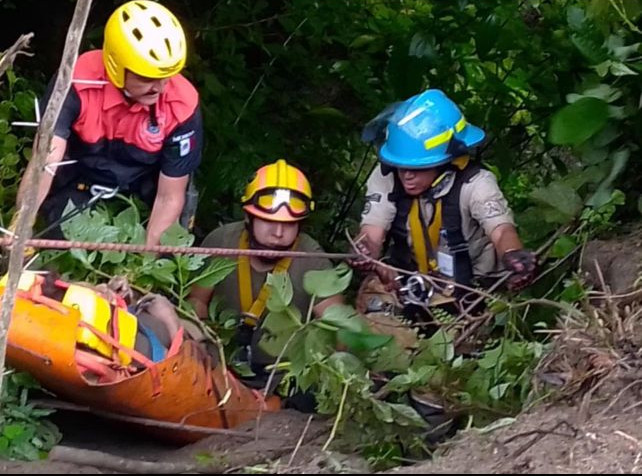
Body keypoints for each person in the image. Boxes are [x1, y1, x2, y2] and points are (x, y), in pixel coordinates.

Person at [14, 0, 202, 245]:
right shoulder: (77, 81)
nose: (160, 87)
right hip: (80, 179)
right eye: (147, 77)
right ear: (116, 64)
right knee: (58, 251)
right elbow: (45, 163)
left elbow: (169, 196)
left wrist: (143, 266)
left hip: (145, 192)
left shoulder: (182, 104)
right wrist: (22, 226)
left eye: (167, 76)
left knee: (168, 244)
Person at [351, 88, 537, 323]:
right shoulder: (386, 177)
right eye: (401, 165)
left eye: (418, 168)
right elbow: (372, 232)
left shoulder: (476, 184)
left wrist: (513, 255)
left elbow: (501, 230)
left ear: (444, 162)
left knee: (465, 348)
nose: (407, 176)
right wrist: (364, 250)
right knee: (370, 321)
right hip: (409, 279)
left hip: (473, 287)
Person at [187, 159, 345, 399]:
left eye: (288, 225)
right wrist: (203, 348)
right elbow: (195, 302)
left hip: (283, 380)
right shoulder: (222, 242)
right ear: (248, 218)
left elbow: (339, 328)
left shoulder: (314, 260)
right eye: (269, 222)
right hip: (221, 366)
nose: (278, 233)